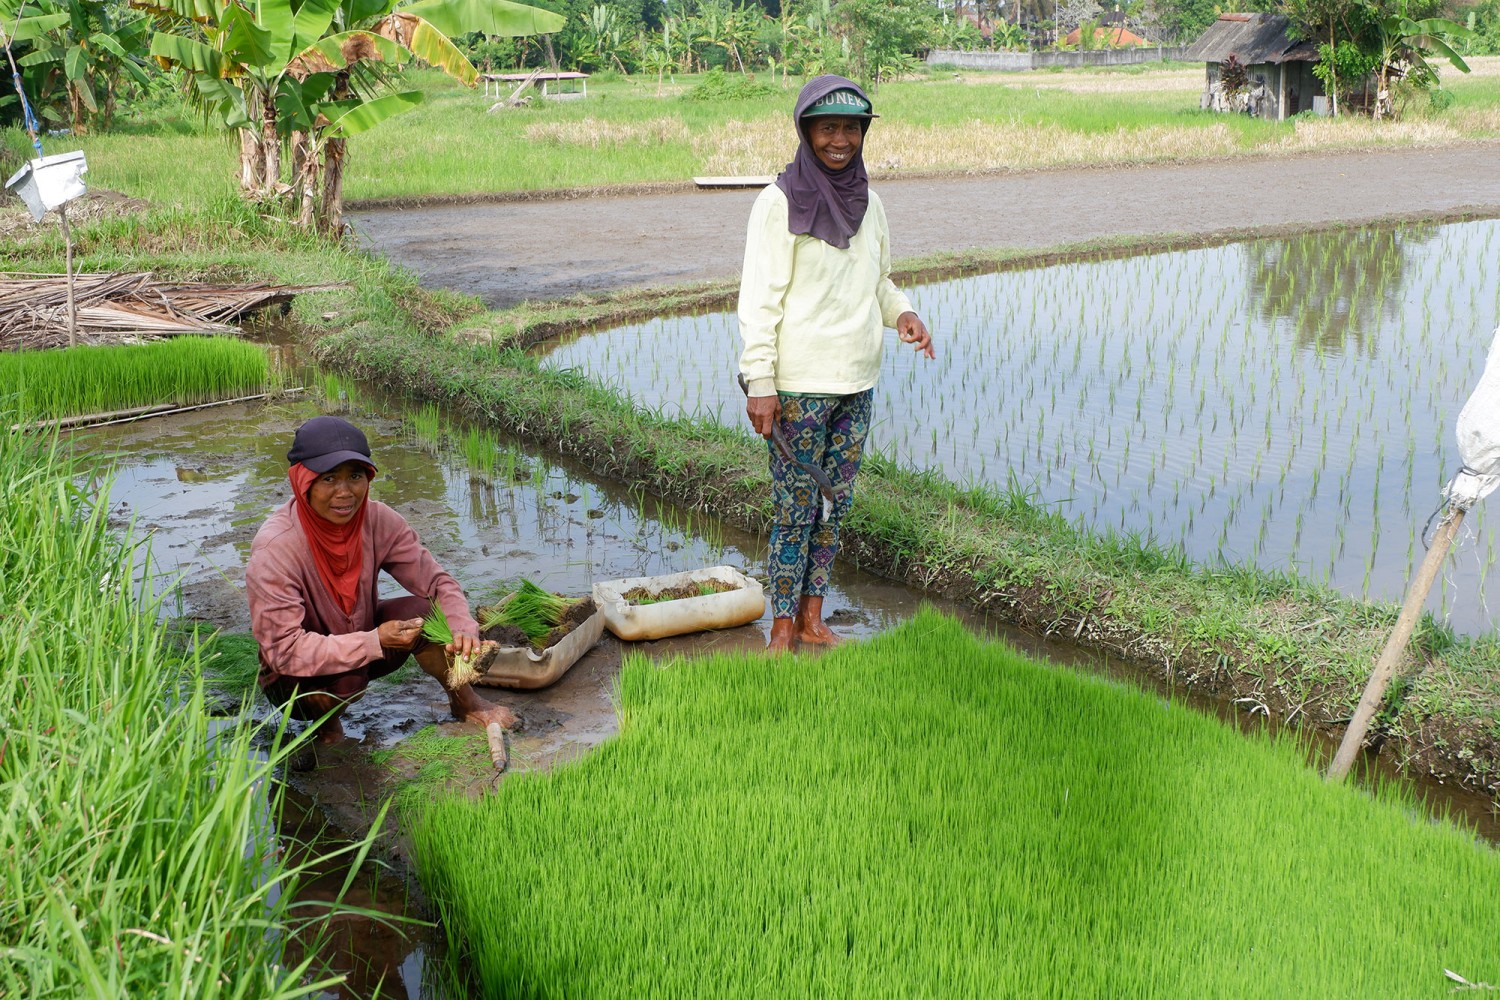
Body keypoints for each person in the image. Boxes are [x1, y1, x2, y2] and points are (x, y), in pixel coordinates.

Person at [737, 75, 935, 653]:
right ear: (806, 131)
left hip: (857, 381)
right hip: (797, 386)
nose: (840, 139)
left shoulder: (870, 203)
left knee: (834, 506)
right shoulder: (777, 204)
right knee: (795, 507)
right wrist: (762, 383)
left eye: (851, 127)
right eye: (828, 128)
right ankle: (780, 625)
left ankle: (812, 618)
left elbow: (877, 280)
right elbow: (759, 302)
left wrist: (902, 313)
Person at [246, 415, 514, 744]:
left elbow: (437, 582)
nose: (344, 492)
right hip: (292, 676)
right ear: (304, 482)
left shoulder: (377, 520)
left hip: (361, 637)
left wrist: (461, 624)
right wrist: (375, 641)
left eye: (355, 476)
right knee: (345, 681)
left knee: (427, 612)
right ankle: (328, 729)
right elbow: (284, 651)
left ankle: (466, 702)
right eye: (329, 479)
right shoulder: (276, 548)